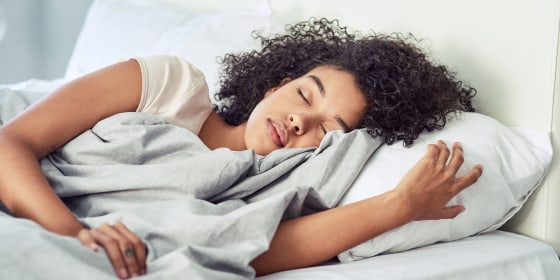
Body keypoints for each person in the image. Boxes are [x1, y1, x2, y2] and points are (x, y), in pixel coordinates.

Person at [0, 18, 482, 278]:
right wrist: (72, 234)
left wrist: (399, 206)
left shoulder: (270, 184)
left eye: (324, 128)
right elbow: (13, 139)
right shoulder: (171, 84)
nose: (299, 120)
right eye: (305, 95)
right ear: (277, 85)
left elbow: (248, 246)